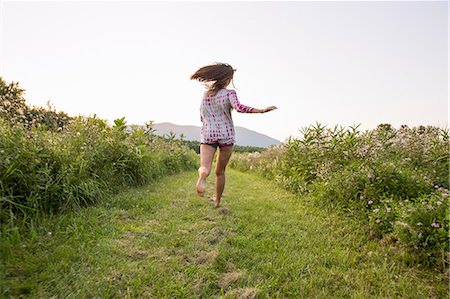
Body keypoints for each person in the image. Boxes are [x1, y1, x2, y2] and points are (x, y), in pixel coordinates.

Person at [190, 62, 277, 207]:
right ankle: (217, 201)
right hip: (226, 136)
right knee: (220, 172)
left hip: (208, 135)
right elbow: (240, 108)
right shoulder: (230, 93)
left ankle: (203, 176)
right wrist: (261, 110)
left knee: (205, 166)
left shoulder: (206, 95)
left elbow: (201, 115)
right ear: (227, 79)